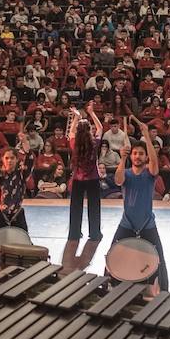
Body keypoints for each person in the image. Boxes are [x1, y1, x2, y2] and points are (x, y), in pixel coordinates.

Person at [113, 119, 169, 291]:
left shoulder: (150, 174)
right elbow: (117, 180)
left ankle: (164, 291)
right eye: (135, 153)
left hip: (147, 224)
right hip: (127, 223)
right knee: (113, 254)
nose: (138, 156)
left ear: (145, 157)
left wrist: (146, 136)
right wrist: (122, 159)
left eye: (141, 154)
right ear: (132, 156)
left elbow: (155, 164)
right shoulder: (127, 173)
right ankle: (110, 286)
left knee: (159, 258)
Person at [68, 102, 104, 241]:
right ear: (90, 130)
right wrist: (91, 113)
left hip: (78, 180)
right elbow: (100, 128)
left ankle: (74, 234)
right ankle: (95, 233)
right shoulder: (94, 143)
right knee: (94, 208)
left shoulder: (74, 144)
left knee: (75, 208)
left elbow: (71, 132)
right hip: (93, 179)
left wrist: (76, 117)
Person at [0, 120, 34, 231]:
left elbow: (30, 159)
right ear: (3, 160)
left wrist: (24, 142)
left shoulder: (22, 175)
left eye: (12, 158)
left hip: (17, 213)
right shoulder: (0, 175)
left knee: (23, 243)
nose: (9, 161)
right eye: (6, 158)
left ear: (17, 159)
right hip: (1, 213)